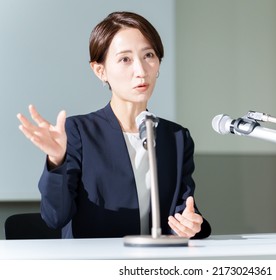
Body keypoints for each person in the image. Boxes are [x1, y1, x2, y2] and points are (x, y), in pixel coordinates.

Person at [16, 11, 211, 239]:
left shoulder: (176, 137)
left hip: (156, 266)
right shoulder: (79, 132)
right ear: (100, 71)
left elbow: (183, 211)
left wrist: (191, 223)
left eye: (149, 55)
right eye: (125, 59)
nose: (141, 70)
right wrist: (56, 161)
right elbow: (54, 217)